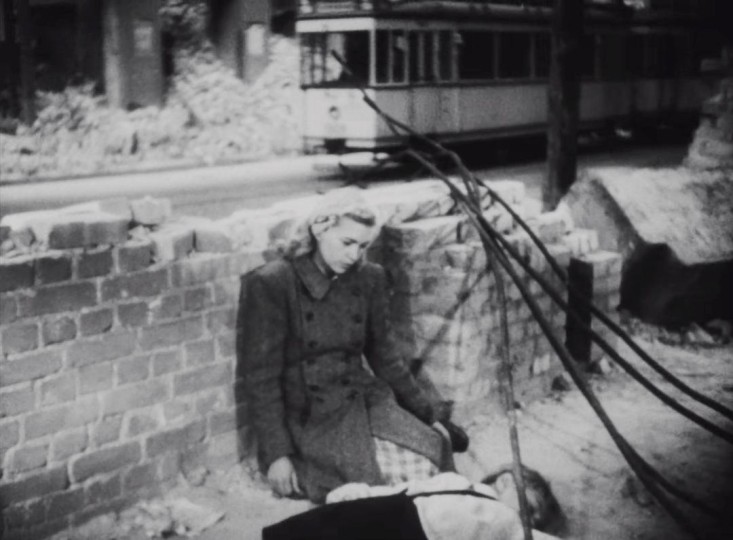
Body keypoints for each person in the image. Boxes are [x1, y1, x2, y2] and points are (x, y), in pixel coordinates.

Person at [237, 188, 462, 504]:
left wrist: (427, 415)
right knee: (381, 480)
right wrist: (277, 454)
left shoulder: (370, 278)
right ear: (319, 229)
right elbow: (262, 378)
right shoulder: (273, 282)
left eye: (363, 245)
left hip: (362, 400)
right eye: (347, 242)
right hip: (311, 418)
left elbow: (387, 358)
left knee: (432, 450)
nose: (354, 255)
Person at [261, 467, 564, 540]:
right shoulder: (456, 481)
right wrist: (363, 492)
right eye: (529, 508)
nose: (529, 519)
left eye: (533, 519)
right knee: (336, 523)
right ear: (505, 480)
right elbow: (405, 490)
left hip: (422, 534)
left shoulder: (507, 524)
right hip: (401, 512)